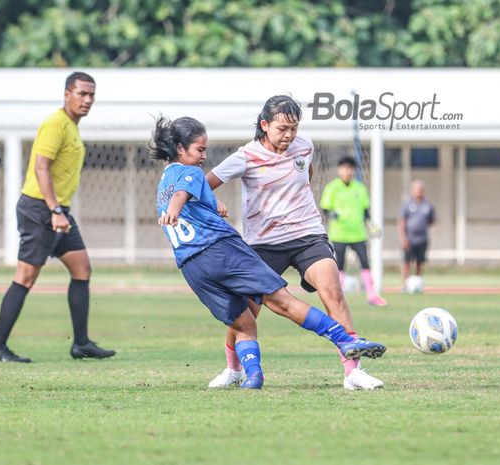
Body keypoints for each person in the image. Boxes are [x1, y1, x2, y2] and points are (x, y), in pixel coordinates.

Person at [150, 115, 386, 390]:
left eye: (293, 128)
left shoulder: (165, 181)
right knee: (280, 301)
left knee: (244, 321)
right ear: (180, 148)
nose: (204, 156)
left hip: (192, 265)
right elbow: (184, 194)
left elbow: (185, 195)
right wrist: (175, 212)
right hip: (226, 250)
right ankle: (344, 339)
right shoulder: (201, 170)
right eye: (200, 150)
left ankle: (252, 377)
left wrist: (212, 205)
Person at [0, 72, 115, 363]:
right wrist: (55, 209)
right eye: (82, 93)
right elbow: (41, 168)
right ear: (67, 94)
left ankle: (81, 343)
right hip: (40, 210)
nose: (87, 100)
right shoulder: (55, 124)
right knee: (26, 277)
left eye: (91, 94)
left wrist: (60, 211)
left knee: (82, 268)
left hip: (58, 211)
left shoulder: (71, 126)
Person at [320, 156, 387, 307]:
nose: (347, 171)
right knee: (340, 266)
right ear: (339, 170)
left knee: (365, 263)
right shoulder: (332, 188)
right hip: (339, 234)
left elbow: (365, 211)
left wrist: (371, 225)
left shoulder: (360, 188)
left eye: (350, 169)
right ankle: (337, 296)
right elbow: (325, 209)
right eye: (344, 168)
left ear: (354, 170)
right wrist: (332, 214)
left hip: (358, 234)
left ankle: (372, 295)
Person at [398, 180, 435, 282]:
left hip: (422, 239)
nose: (418, 191)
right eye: (416, 189)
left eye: (420, 189)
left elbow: (431, 220)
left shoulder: (428, 205)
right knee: (407, 262)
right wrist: (404, 238)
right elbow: (402, 222)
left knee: (420, 262)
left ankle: (418, 282)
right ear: (412, 191)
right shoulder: (407, 205)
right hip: (409, 239)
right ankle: (404, 284)